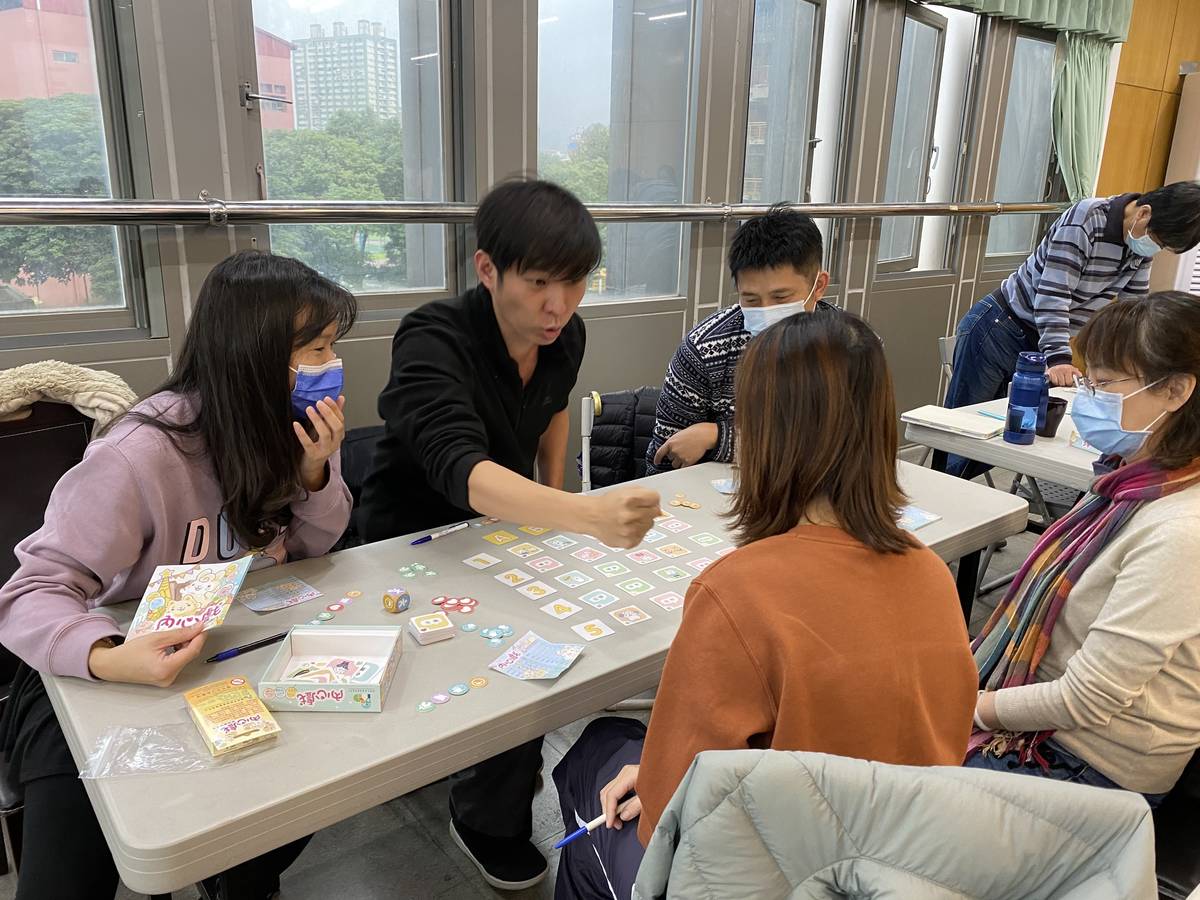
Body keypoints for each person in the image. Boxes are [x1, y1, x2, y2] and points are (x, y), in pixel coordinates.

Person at [552, 310, 978, 900]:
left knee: (593, 755)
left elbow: (668, 819)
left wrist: (657, 778)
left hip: (773, 879)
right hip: (905, 866)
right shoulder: (930, 572)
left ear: (763, 434)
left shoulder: (736, 593)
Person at [0, 250, 356, 900]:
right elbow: (31, 592)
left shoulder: (284, 429)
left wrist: (313, 473)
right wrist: (110, 657)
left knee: (315, 783)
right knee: (69, 875)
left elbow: (314, 548)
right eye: (315, 349)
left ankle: (239, 875)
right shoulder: (138, 454)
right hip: (101, 670)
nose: (330, 366)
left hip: (231, 647)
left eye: (332, 347)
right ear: (253, 356)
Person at [358, 179, 661, 890]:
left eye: (576, 282)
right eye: (539, 283)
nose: (560, 305)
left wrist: (557, 496)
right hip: (411, 532)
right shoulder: (433, 337)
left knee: (524, 658)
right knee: (445, 668)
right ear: (487, 269)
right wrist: (584, 517)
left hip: (508, 521)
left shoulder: (566, 334)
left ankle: (487, 816)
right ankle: (451, 773)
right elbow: (461, 470)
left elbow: (553, 407)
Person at [967, 291, 1200, 805]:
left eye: (1103, 384)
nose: (1086, 399)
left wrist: (970, 706)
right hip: (1050, 722)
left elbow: (1088, 698)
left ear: (1176, 390)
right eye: (1087, 381)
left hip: (1088, 762)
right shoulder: (1127, 484)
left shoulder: (1180, 529)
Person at [941, 181, 1200, 479]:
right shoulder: (1087, 218)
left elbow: (1133, 310)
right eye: (1157, 240)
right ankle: (943, 492)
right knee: (964, 432)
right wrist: (1059, 358)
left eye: (1162, 246)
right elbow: (1053, 295)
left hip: (1041, 340)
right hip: (1002, 325)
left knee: (1012, 434)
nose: (1154, 248)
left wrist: (1117, 365)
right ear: (1143, 214)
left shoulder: (1138, 246)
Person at [645, 204, 833, 473]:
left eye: (781, 298)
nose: (766, 311)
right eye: (751, 299)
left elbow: (845, 444)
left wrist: (718, 436)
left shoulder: (851, 346)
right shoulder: (702, 350)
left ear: (819, 286)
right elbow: (664, 461)